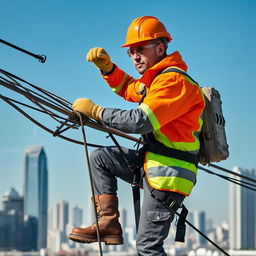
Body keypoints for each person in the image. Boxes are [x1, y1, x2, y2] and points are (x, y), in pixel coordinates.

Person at [69, 16, 205, 256]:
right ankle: (108, 222)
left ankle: (109, 223)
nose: (134, 57)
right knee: (101, 158)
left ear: (161, 48)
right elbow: (130, 88)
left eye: (140, 49)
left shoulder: (174, 81)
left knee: (148, 249)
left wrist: (96, 111)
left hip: (168, 176)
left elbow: (140, 121)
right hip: (153, 166)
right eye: (131, 52)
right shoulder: (155, 81)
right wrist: (108, 68)